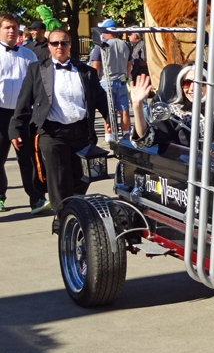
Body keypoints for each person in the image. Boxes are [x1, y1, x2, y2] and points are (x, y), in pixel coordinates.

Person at [9, 28, 108, 210]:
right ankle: (62, 219)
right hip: (51, 132)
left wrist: (110, 118)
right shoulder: (36, 70)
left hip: (81, 131)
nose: (59, 46)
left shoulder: (86, 72)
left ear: (70, 45)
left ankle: (74, 209)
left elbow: (100, 98)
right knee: (58, 177)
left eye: (64, 43)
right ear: (49, 46)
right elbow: (24, 101)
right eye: (55, 43)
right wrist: (15, 128)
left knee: (82, 176)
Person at [0, 13, 50, 214]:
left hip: (23, 115)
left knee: (29, 158)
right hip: (1, 113)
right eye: (7, 27)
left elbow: (38, 85)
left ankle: (37, 198)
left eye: (14, 27)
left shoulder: (28, 55)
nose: (11, 31)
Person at [129, 65, 206, 151]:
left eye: (199, 83)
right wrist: (137, 106)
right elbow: (145, 140)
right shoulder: (174, 114)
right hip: (186, 163)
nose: (192, 88)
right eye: (187, 83)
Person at [90, 19, 132, 141]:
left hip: (106, 81)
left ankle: (110, 136)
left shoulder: (101, 45)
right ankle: (126, 134)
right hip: (122, 80)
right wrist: (127, 77)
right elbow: (129, 64)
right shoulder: (124, 44)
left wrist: (94, 83)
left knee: (108, 111)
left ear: (105, 30)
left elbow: (95, 67)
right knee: (123, 110)